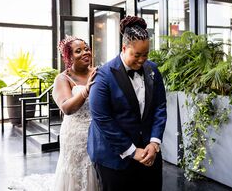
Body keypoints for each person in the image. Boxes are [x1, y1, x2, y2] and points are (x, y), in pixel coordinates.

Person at [87, 15, 167, 191]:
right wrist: (132, 150)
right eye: (136, 55)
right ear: (124, 48)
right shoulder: (104, 76)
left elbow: (160, 107)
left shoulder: (153, 70)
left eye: (145, 54)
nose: (141, 60)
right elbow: (102, 119)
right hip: (113, 157)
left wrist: (154, 143)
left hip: (149, 154)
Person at [52, 35, 100, 191]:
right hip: (75, 135)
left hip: (98, 132)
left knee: (96, 172)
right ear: (69, 57)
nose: (85, 52)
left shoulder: (98, 72)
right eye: (78, 51)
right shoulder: (63, 78)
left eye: (86, 48)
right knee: (76, 174)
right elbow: (66, 108)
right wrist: (86, 90)